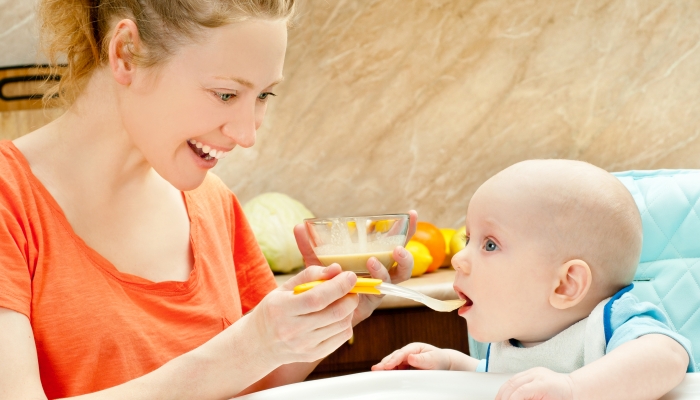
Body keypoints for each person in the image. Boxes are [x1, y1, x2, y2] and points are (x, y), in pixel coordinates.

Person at [0, 1, 416, 398]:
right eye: (225, 94)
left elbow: (252, 382)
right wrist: (249, 346)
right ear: (126, 54)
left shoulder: (212, 204)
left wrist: (325, 319)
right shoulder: (10, 200)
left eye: (264, 96)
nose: (247, 134)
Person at [372, 159, 695, 400]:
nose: (458, 258)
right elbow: (502, 383)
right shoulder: (513, 338)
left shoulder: (611, 324)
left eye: (490, 244)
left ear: (565, 284)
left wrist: (573, 389)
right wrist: (449, 366)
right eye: (468, 238)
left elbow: (668, 357)